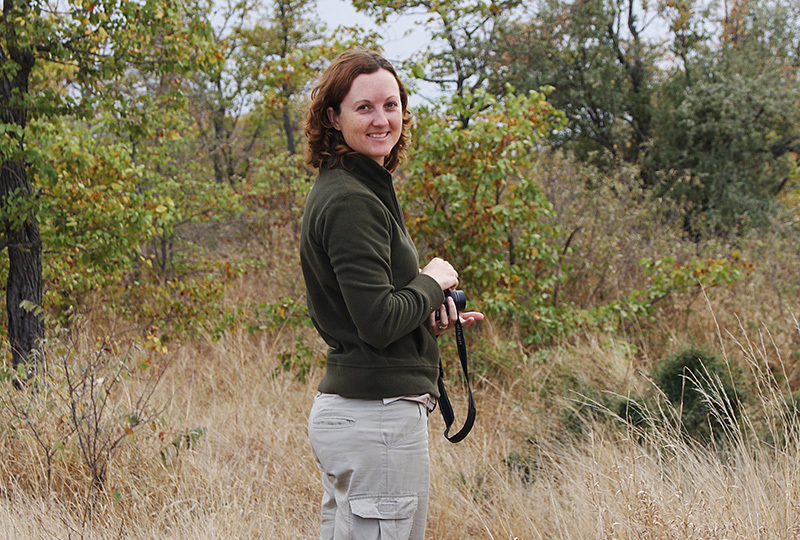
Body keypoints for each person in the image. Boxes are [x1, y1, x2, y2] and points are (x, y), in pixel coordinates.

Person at [300, 49, 484, 540]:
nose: (382, 119)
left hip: (364, 414)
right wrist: (434, 279)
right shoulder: (350, 200)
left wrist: (426, 315)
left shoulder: (360, 186)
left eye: (391, 104)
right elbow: (378, 321)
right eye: (364, 107)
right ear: (333, 117)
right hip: (374, 418)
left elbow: (369, 311)